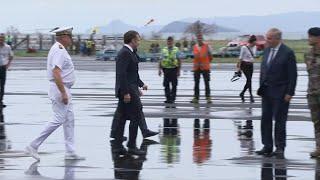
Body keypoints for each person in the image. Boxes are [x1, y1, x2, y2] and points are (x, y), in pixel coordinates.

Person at [25, 27, 85, 161]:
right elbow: (56, 72)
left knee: (69, 119)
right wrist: (63, 92)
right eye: (69, 36)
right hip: (60, 88)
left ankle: (70, 151)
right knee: (59, 118)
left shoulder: (58, 48)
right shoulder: (59, 50)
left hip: (62, 87)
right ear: (63, 37)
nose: (71, 39)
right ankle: (33, 145)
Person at [255, 28, 297, 159]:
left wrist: (290, 92)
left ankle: (279, 148)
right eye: (266, 37)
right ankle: (267, 146)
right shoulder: (267, 50)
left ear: (277, 39)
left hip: (281, 93)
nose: (266, 40)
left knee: (279, 121)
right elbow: (264, 70)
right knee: (265, 119)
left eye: (269, 38)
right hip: (266, 91)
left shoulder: (288, 52)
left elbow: (293, 75)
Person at [112, 30, 154, 155]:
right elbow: (122, 75)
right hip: (128, 90)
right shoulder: (125, 53)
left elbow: (132, 74)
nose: (139, 42)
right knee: (135, 117)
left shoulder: (129, 53)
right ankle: (131, 145)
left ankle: (119, 146)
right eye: (138, 39)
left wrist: (141, 85)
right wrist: (126, 93)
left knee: (122, 118)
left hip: (131, 88)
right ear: (133, 40)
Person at [304, 27, 320, 158]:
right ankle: (319, 147)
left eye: (310, 36)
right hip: (313, 94)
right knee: (316, 122)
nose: (308, 39)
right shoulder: (308, 54)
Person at [190, 33, 213, 104]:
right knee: (196, 83)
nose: (199, 39)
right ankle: (196, 98)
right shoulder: (194, 47)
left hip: (205, 67)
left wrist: (206, 63)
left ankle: (208, 97)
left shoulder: (207, 46)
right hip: (196, 68)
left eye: (200, 38)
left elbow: (210, 56)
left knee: (206, 83)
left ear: (202, 39)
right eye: (198, 38)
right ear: (197, 39)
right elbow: (194, 57)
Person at [159, 36, 181, 104]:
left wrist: (179, 70)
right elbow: (161, 60)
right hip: (166, 69)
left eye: (171, 41)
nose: (169, 42)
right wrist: (159, 69)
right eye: (168, 41)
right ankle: (168, 98)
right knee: (166, 85)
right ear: (167, 42)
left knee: (174, 85)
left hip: (174, 69)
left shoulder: (176, 49)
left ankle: (173, 98)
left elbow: (179, 60)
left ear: (173, 42)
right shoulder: (164, 50)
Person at [238, 35, 257, 103]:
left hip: (251, 65)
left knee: (249, 81)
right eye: (255, 41)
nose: (256, 42)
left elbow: (254, 56)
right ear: (252, 41)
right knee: (249, 80)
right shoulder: (244, 47)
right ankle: (251, 96)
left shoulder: (255, 47)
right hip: (244, 65)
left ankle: (242, 93)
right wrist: (239, 69)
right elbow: (240, 58)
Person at [0, 34, 14, 108]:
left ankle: (1, 101)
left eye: (2, 38)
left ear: (4, 39)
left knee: (2, 85)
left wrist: (8, 65)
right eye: (0, 38)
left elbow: (11, 56)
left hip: (3, 68)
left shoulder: (7, 47)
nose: (1, 40)